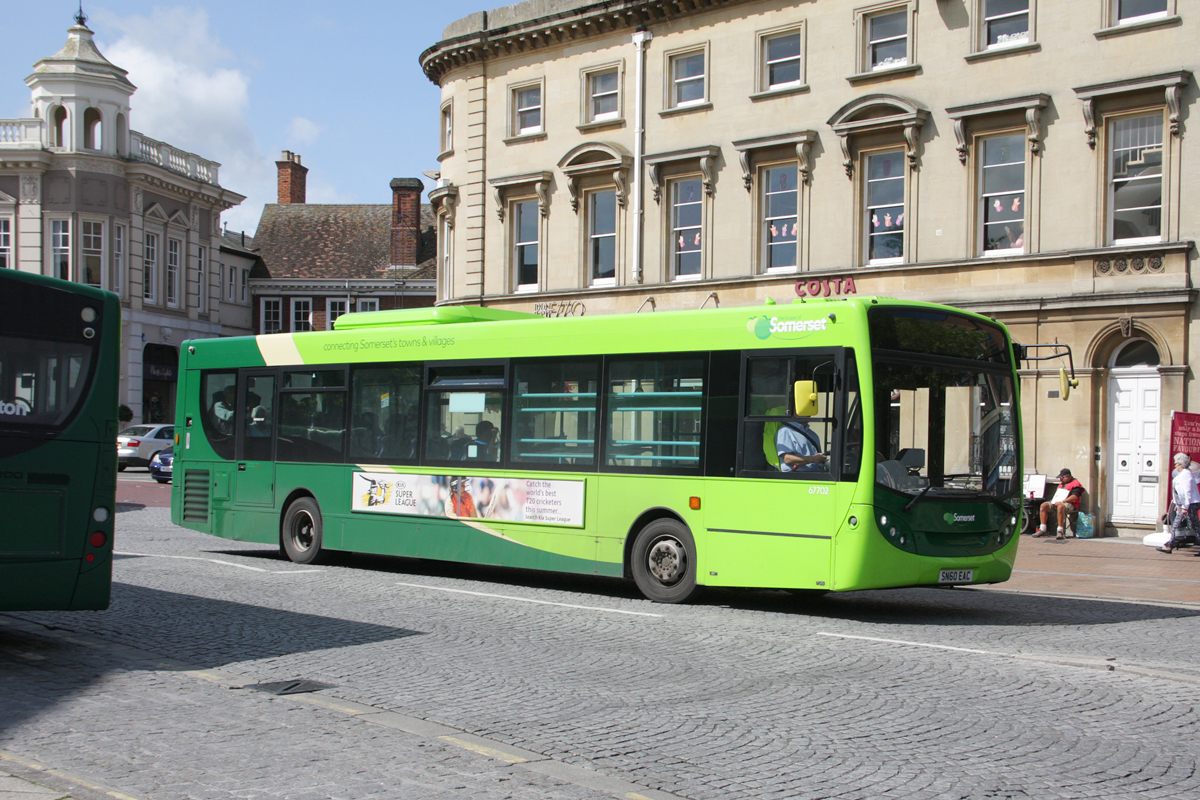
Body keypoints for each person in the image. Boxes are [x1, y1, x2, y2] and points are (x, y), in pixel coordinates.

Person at [1160, 453, 1200, 554]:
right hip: (1185, 505)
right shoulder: (1182, 474)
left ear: (1181, 464)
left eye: (1176, 464)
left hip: (1190, 504)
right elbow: (1178, 492)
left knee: (1178, 524)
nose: (1175, 466)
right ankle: (1169, 545)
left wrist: (1185, 507)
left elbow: (1187, 492)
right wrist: (1178, 505)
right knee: (1194, 526)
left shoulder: (1186, 474)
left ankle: (1169, 546)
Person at [1034, 468, 1084, 539]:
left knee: (1061, 507)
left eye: (1061, 478)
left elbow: (1075, 496)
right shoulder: (1062, 484)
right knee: (1044, 505)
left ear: (1067, 476)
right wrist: (1054, 501)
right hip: (1058, 502)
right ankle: (1043, 529)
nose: (1060, 480)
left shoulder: (1076, 484)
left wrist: (1063, 501)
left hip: (1070, 504)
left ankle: (1060, 531)